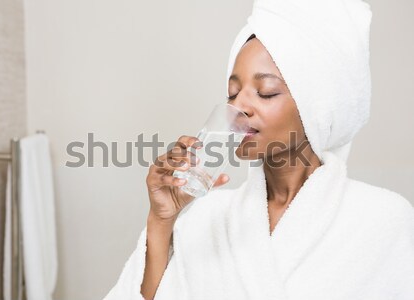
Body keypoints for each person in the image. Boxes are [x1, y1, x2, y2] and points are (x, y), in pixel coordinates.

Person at [104, 1, 414, 299]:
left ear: (316, 108)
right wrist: (161, 221)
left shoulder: (383, 220)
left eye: (266, 93)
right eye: (233, 92)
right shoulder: (207, 217)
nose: (238, 106)